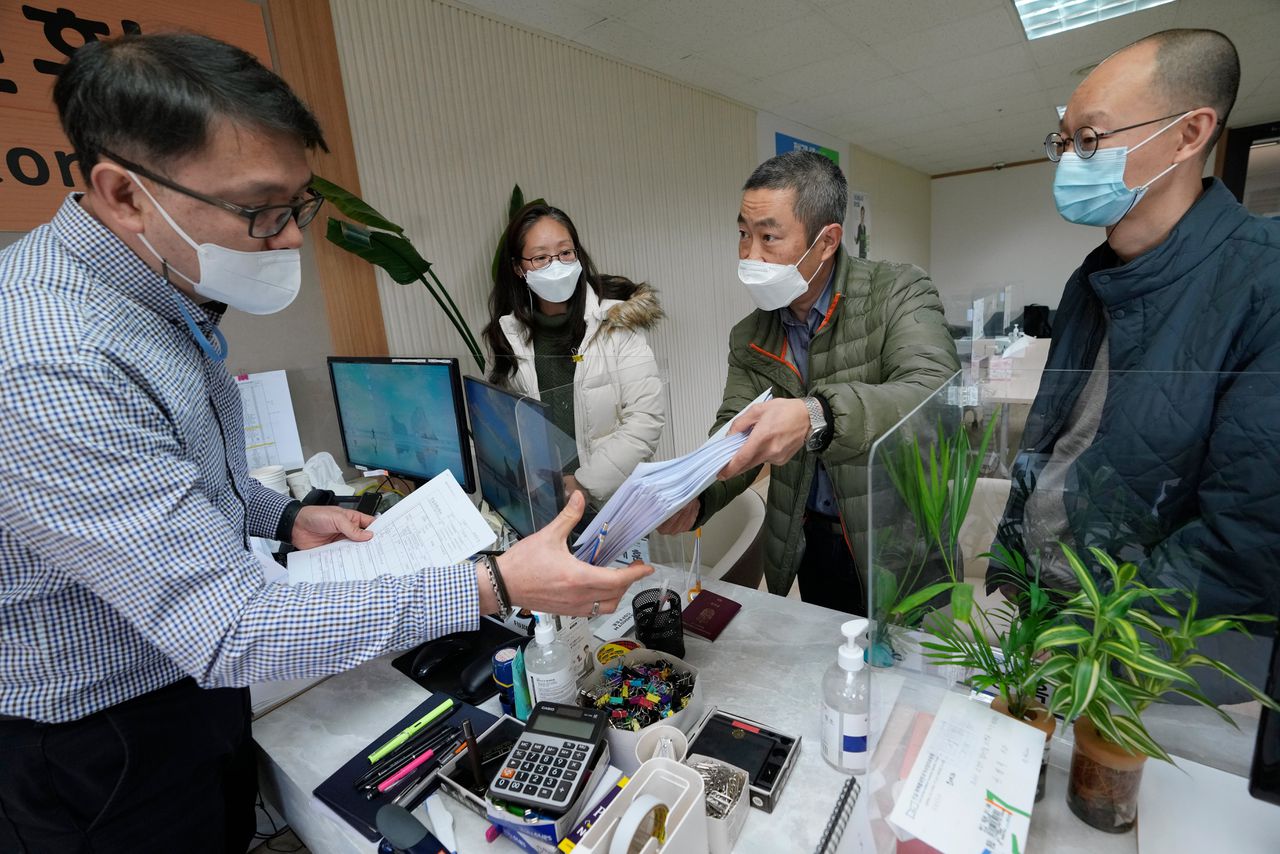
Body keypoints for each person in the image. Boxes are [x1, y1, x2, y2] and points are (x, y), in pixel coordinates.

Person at [0, 33, 650, 852]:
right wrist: (490, 584)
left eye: (297, 207)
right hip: (105, 738)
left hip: (187, 694)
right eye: (260, 211)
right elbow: (228, 628)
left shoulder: (150, 296)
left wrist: (281, 517)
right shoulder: (45, 357)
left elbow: (178, 477)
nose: (290, 240)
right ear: (125, 193)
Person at [988, 30, 1280, 691]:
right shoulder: (1091, 281)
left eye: (1088, 140)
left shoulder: (1263, 283)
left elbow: (1247, 537)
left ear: (1188, 134)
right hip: (1045, 605)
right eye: (1062, 143)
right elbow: (1057, 447)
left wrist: (1097, 646)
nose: (1067, 162)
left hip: (1141, 649)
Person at [660, 152, 959, 614]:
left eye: (769, 238)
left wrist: (816, 414)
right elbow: (736, 429)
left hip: (897, 539)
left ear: (826, 242)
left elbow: (934, 398)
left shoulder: (899, 292)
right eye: (743, 234)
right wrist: (698, 495)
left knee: (906, 675)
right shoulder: (751, 334)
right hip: (810, 538)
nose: (750, 255)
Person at [484, 203, 666, 503]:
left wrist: (583, 485)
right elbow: (503, 426)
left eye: (565, 253)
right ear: (519, 268)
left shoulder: (616, 325)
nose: (556, 265)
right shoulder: (507, 337)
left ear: (577, 255)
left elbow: (645, 419)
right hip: (542, 501)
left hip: (610, 499)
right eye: (540, 257)